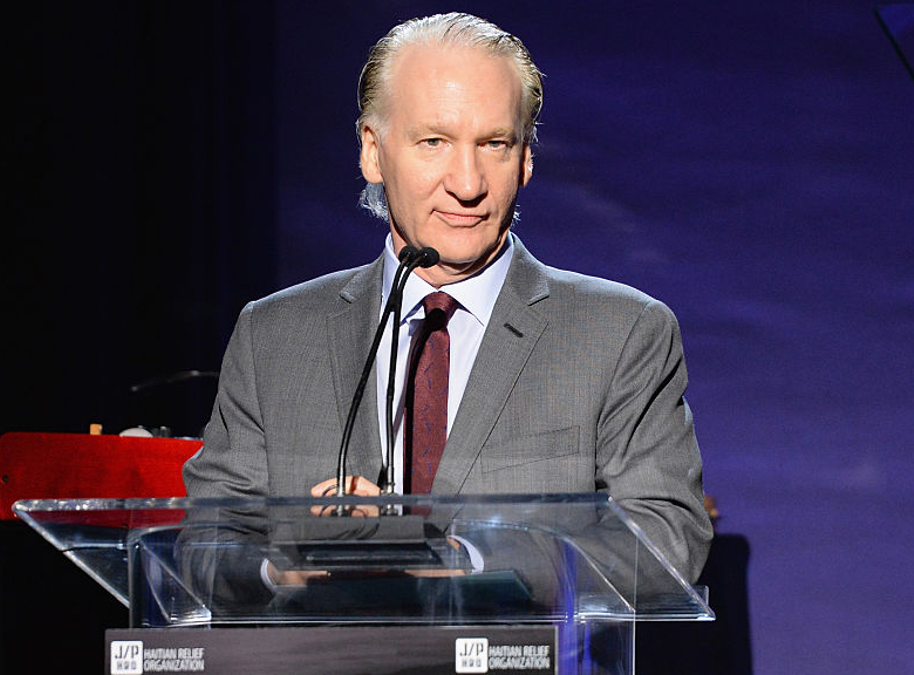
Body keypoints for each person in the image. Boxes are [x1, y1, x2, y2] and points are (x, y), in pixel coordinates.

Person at [182, 12, 712, 583]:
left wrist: (469, 560)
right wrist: (284, 566)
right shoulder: (274, 338)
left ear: (527, 158)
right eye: (434, 141)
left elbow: (665, 542)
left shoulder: (621, 335)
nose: (467, 183)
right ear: (372, 151)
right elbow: (205, 547)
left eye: (494, 144)